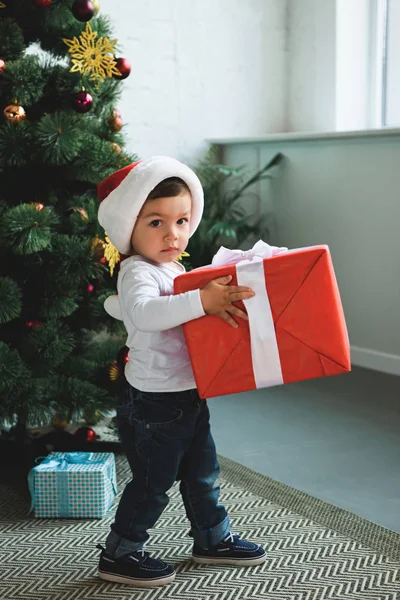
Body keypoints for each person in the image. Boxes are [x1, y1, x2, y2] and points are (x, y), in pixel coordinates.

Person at [95, 156, 266, 588]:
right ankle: (121, 551)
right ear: (128, 228)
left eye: (182, 221)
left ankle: (212, 538)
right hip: (154, 399)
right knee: (154, 481)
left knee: (202, 471)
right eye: (155, 223)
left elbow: (164, 312)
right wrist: (201, 302)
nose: (172, 234)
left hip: (187, 392)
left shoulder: (170, 267)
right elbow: (146, 312)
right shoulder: (137, 270)